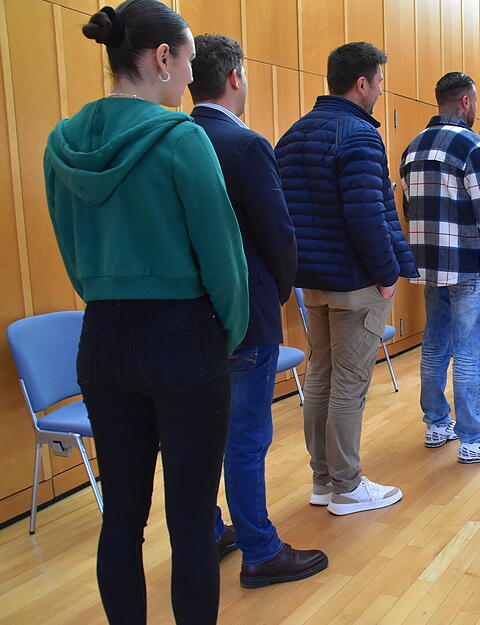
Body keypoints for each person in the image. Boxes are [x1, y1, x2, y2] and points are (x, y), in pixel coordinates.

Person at [44, 2, 249, 623]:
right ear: (163, 58)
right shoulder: (182, 138)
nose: (190, 77)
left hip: (102, 335)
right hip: (184, 339)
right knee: (191, 524)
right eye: (188, 61)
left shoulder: (63, 141)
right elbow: (224, 259)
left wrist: (108, 295)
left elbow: (71, 252)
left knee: (121, 520)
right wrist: (226, 335)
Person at [189, 34, 327, 588]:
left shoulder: (176, 138)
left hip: (189, 318)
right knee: (246, 437)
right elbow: (279, 235)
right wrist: (273, 294)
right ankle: (259, 550)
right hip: (245, 313)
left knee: (197, 435)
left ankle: (209, 530)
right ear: (235, 78)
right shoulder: (243, 145)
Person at [276, 42, 417, 515]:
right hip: (356, 281)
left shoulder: (294, 134)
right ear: (362, 84)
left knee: (320, 376)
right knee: (350, 383)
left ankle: (323, 482)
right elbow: (366, 215)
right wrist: (387, 274)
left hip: (312, 281)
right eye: (380, 82)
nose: (381, 90)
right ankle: (348, 486)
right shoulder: (358, 135)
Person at [401, 72, 480, 463]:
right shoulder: (475, 147)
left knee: (434, 347)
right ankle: (474, 438)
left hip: (431, 267)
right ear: (466, 102)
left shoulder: (412, 148)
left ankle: (437, 423)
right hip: (471, 267)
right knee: (470, 354)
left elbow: (408, 210)